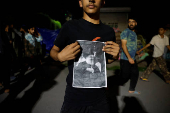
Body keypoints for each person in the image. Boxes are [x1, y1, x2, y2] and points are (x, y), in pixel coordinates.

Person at [50, 0, 120, 112]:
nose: (91, 0)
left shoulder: (108, 31)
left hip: (100, 99)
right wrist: (59, 57)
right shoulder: (70, 26)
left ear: (102, 3)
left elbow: (105, 60)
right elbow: (53, 51)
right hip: (74, 99)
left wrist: (115, 57)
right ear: (80, 3)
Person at [120, 16, 140, 94]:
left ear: (136, 23)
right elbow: (123, 45)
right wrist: (129, 58)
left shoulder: (134, 33)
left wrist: (136, 52)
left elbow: (131, 45)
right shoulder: (126, 32)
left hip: (132, 57)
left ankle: (132, 89)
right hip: (125, 58)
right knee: (124, 76)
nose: (131, 23)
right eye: (129, 22)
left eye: (133, 21)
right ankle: (109, 84)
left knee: (135, 73)